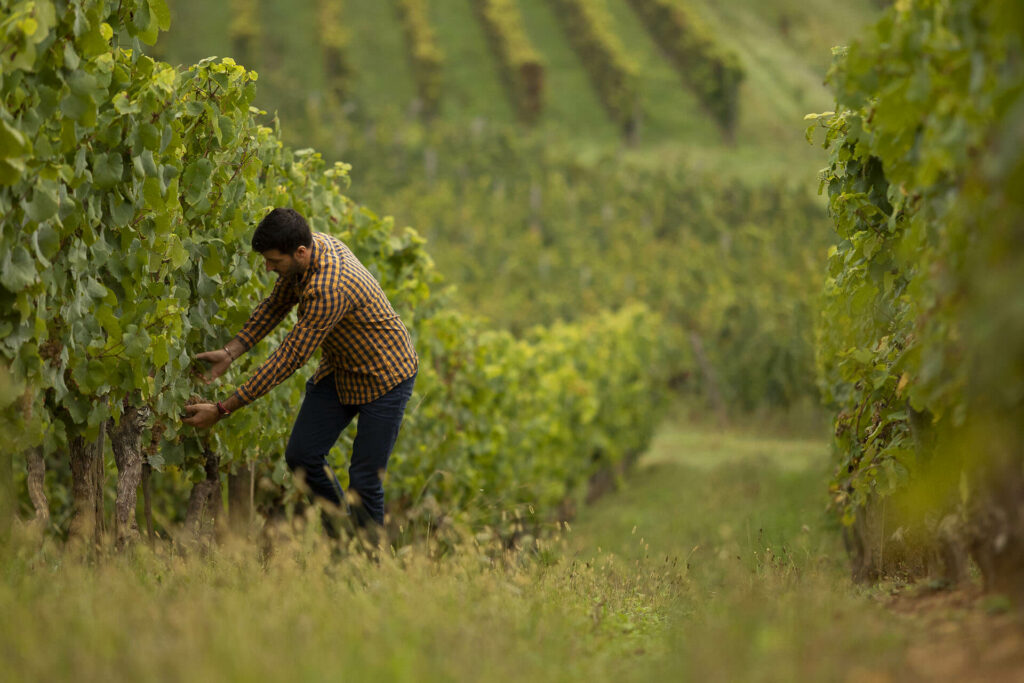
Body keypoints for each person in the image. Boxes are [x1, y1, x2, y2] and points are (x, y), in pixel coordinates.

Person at [183, 208, 418, 531]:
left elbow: (289, 358)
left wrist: (223, 409)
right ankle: (342, 539)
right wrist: (230, 351)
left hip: (387, 376)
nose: (268, 268)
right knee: (301, 456)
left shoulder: (329, 287)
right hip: (342, 368)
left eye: (273, 262)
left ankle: (367, 565)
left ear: (300, 252)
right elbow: (275, 305)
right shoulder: (306, 254)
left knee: (365, 481)